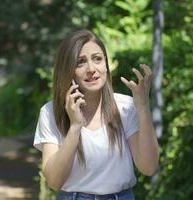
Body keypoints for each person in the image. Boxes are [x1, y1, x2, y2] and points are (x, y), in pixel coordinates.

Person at [33, 29, 159, 200]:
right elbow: (54, 181)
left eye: (97, 59)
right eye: (80, 62)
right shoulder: (50, 112)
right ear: (68, 70)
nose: (91, 69)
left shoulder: (126, 107)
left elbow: (149, 167)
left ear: (106, 64)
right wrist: (75, 126)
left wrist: (143, 107)